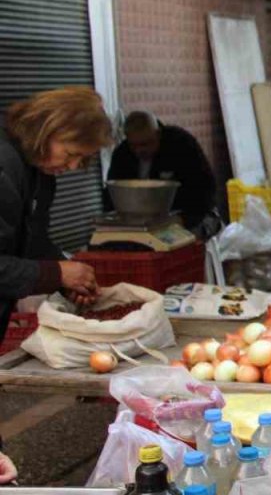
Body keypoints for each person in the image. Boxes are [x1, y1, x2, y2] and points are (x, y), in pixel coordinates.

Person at [1, 87, 112, 338]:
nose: (73, 166)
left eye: (82, 160)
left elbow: (33, 240)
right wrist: (56, 273)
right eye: (71, 154)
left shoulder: (40, 171)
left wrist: (69, 279)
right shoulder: (5, 167)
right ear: (47, 131)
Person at [106, 112, 222, 240]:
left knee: (182, 240)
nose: (140, 150)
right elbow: (114, 193)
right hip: (144, 220)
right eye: (134, 146)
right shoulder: (122, 155)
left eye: (146, 143)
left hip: (192, 213)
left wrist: (182, 219)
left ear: (158, 134)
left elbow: (205, 190)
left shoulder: (181, 144)